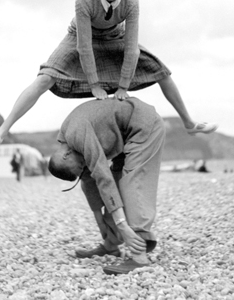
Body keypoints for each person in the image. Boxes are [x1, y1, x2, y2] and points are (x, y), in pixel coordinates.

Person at [0, 0, 217, 150]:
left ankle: (188, 122)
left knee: (160, 70)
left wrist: (123, 86)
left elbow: (131, 49)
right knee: (45, 78)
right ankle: (0, 133)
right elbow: (84, 46)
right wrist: (94, 84)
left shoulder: (131, 2)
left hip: (114, 35)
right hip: (79, 37)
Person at [48, 97, 165, 275]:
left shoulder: (76, 134)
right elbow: (88, 180)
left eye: (79, 167)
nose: (82, 167)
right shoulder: (69, 142)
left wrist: (123, 226)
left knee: (131, 183)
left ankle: (139, 256)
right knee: (115, 190)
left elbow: (103, 177)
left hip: (144, 127)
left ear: (65, 156)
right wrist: (99, 219)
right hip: (123, 139)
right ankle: (111, 244)